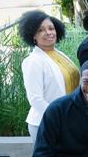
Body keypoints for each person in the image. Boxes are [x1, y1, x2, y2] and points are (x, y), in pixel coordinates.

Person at [19, 10, 79, 142]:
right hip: (46, 124)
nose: (48, 32)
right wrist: (60, 118)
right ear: (33, 36)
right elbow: (35, 99)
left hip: (68, 121)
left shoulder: (59, 54)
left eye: (51, 28)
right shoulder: (33, 61)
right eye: (40, 30)